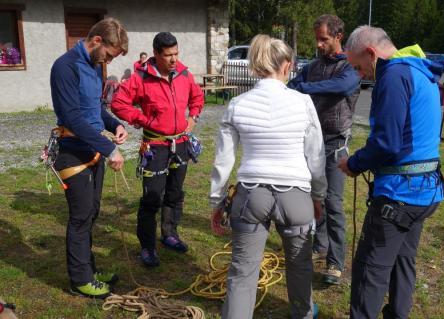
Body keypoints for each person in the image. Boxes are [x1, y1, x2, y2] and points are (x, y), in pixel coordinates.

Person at [210, 34, 327, 319]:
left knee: (242, 270)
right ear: (287, 65)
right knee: (300, 266)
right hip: (296, 196)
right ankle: (303, 312)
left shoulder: (238, 104)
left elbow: (223, 160)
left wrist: (217, 200)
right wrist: (318, 195)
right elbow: (316, 156)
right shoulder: (303, 103)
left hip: (251, 194)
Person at [339, 26, 444, 319]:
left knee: (370, 270)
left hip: (399, 195)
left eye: (359, 66)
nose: (360, 75)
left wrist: (354, 163)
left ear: (372, 53)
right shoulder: (419, 70)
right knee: (402, 260)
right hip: (425, 191)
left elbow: (386, 142)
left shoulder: (394, 76)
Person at [50, 18, 129, 298]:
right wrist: (110, 149)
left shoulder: (96, 67)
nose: (108, 60)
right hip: (72, 152)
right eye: (109, 54)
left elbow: (95, 110)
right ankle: (80, 280)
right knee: (81, 216)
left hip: (92, 149)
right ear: (97, 41)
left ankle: (89, 270)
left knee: (92, 212)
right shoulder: (64, 67)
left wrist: (115, 124)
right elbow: (72, 116)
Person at [111, 32, 204, 266]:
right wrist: (143, 120)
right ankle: (148, 247)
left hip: (180, 144)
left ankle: (170, 235)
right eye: (168, 55)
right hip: (155, 146)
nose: (174, 59)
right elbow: (118, 104)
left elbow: (197, 97)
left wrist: (193, 117)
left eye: (176, 53)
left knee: (174, 193)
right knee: (152, 198)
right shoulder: (141, 78)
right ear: (156, 54)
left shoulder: (184, 74)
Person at [288, 14, 360, 285]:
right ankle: (320, 246)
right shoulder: (313, 67)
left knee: (333, 202)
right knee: (311, 197)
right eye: (316, 38)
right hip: (310, 142)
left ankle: (335, 261)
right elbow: (291, 85)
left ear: (338, 36)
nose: (318, 44)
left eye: (324, 39)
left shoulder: (350, 68)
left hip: (335, 145)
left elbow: (341, 87)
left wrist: (305, 88)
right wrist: (302, 87)